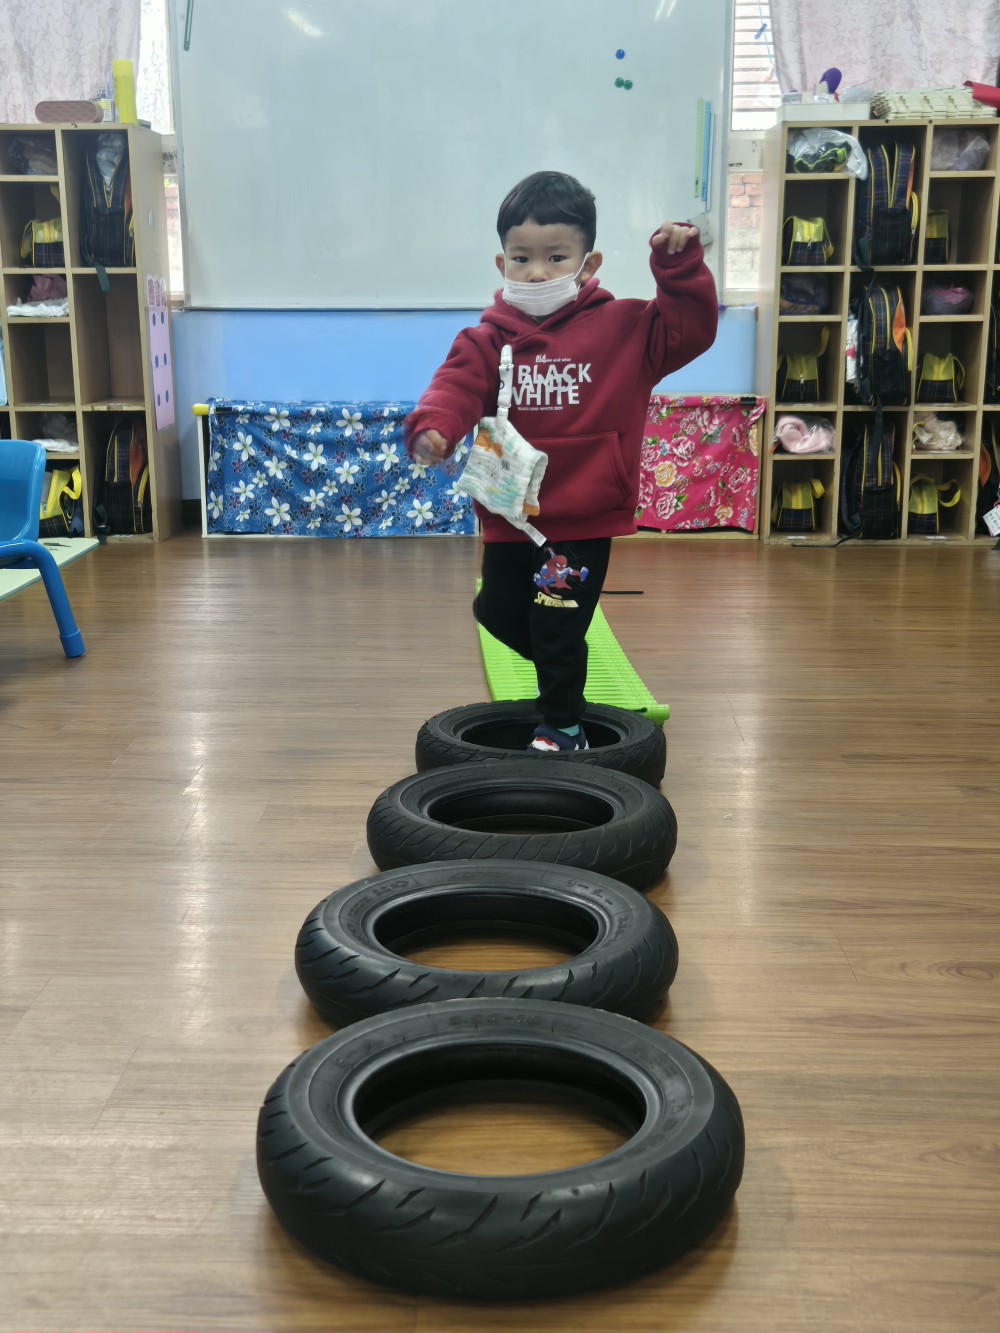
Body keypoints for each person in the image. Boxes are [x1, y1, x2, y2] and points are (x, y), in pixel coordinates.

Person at [404, 170, 717, 752]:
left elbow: (690, 331)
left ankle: (564, 728)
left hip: (580, 518)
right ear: (501, 264)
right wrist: (435, 428)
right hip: (511, 513)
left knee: (554, 619)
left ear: (588, 264)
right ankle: (564, 659)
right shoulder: (487, 340)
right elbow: (454, 386)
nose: (536, 273)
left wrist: (677, 267)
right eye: (521, 258)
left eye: (555, 257)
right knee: (496, 612)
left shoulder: (626, 329)